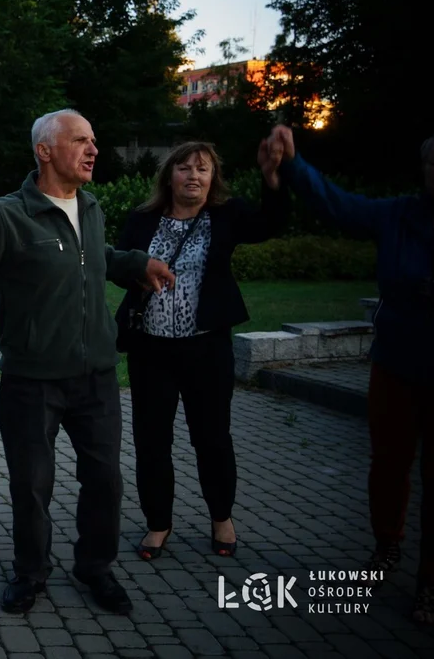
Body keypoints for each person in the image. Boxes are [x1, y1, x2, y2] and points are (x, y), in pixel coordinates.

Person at [0, 109, 175, 616]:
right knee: (32, 485)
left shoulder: (92, 206)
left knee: (105, 480)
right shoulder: (7, 214)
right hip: (31, 381)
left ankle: (95, 567)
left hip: (97, 376)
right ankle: (30, 572)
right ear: (45, 150)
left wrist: (135, 263)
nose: (93, 148)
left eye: (94, 139)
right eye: (80, 139)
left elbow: (94, 255)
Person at [262, 124, 434, 625]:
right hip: (398, 364)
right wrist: (292, 164)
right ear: (425, 169)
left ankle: (433, 582)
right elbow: (338, 205)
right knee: (389, 464)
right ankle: (387, 548)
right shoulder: (399, 215)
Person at [113, 142, 287, 562]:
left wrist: (272, 177)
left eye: (203, 169)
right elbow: (117, 265)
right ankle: (158, 523)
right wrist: (138, 277)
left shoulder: (225, 216)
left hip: (206, 348)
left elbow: (272, 224)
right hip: (151, 350)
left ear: (213, 179)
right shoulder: (142, 220)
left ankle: (221, 518)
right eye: (184, 167)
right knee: (151, 440)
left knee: (211, 437)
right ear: (168, 176)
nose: (193, 175)